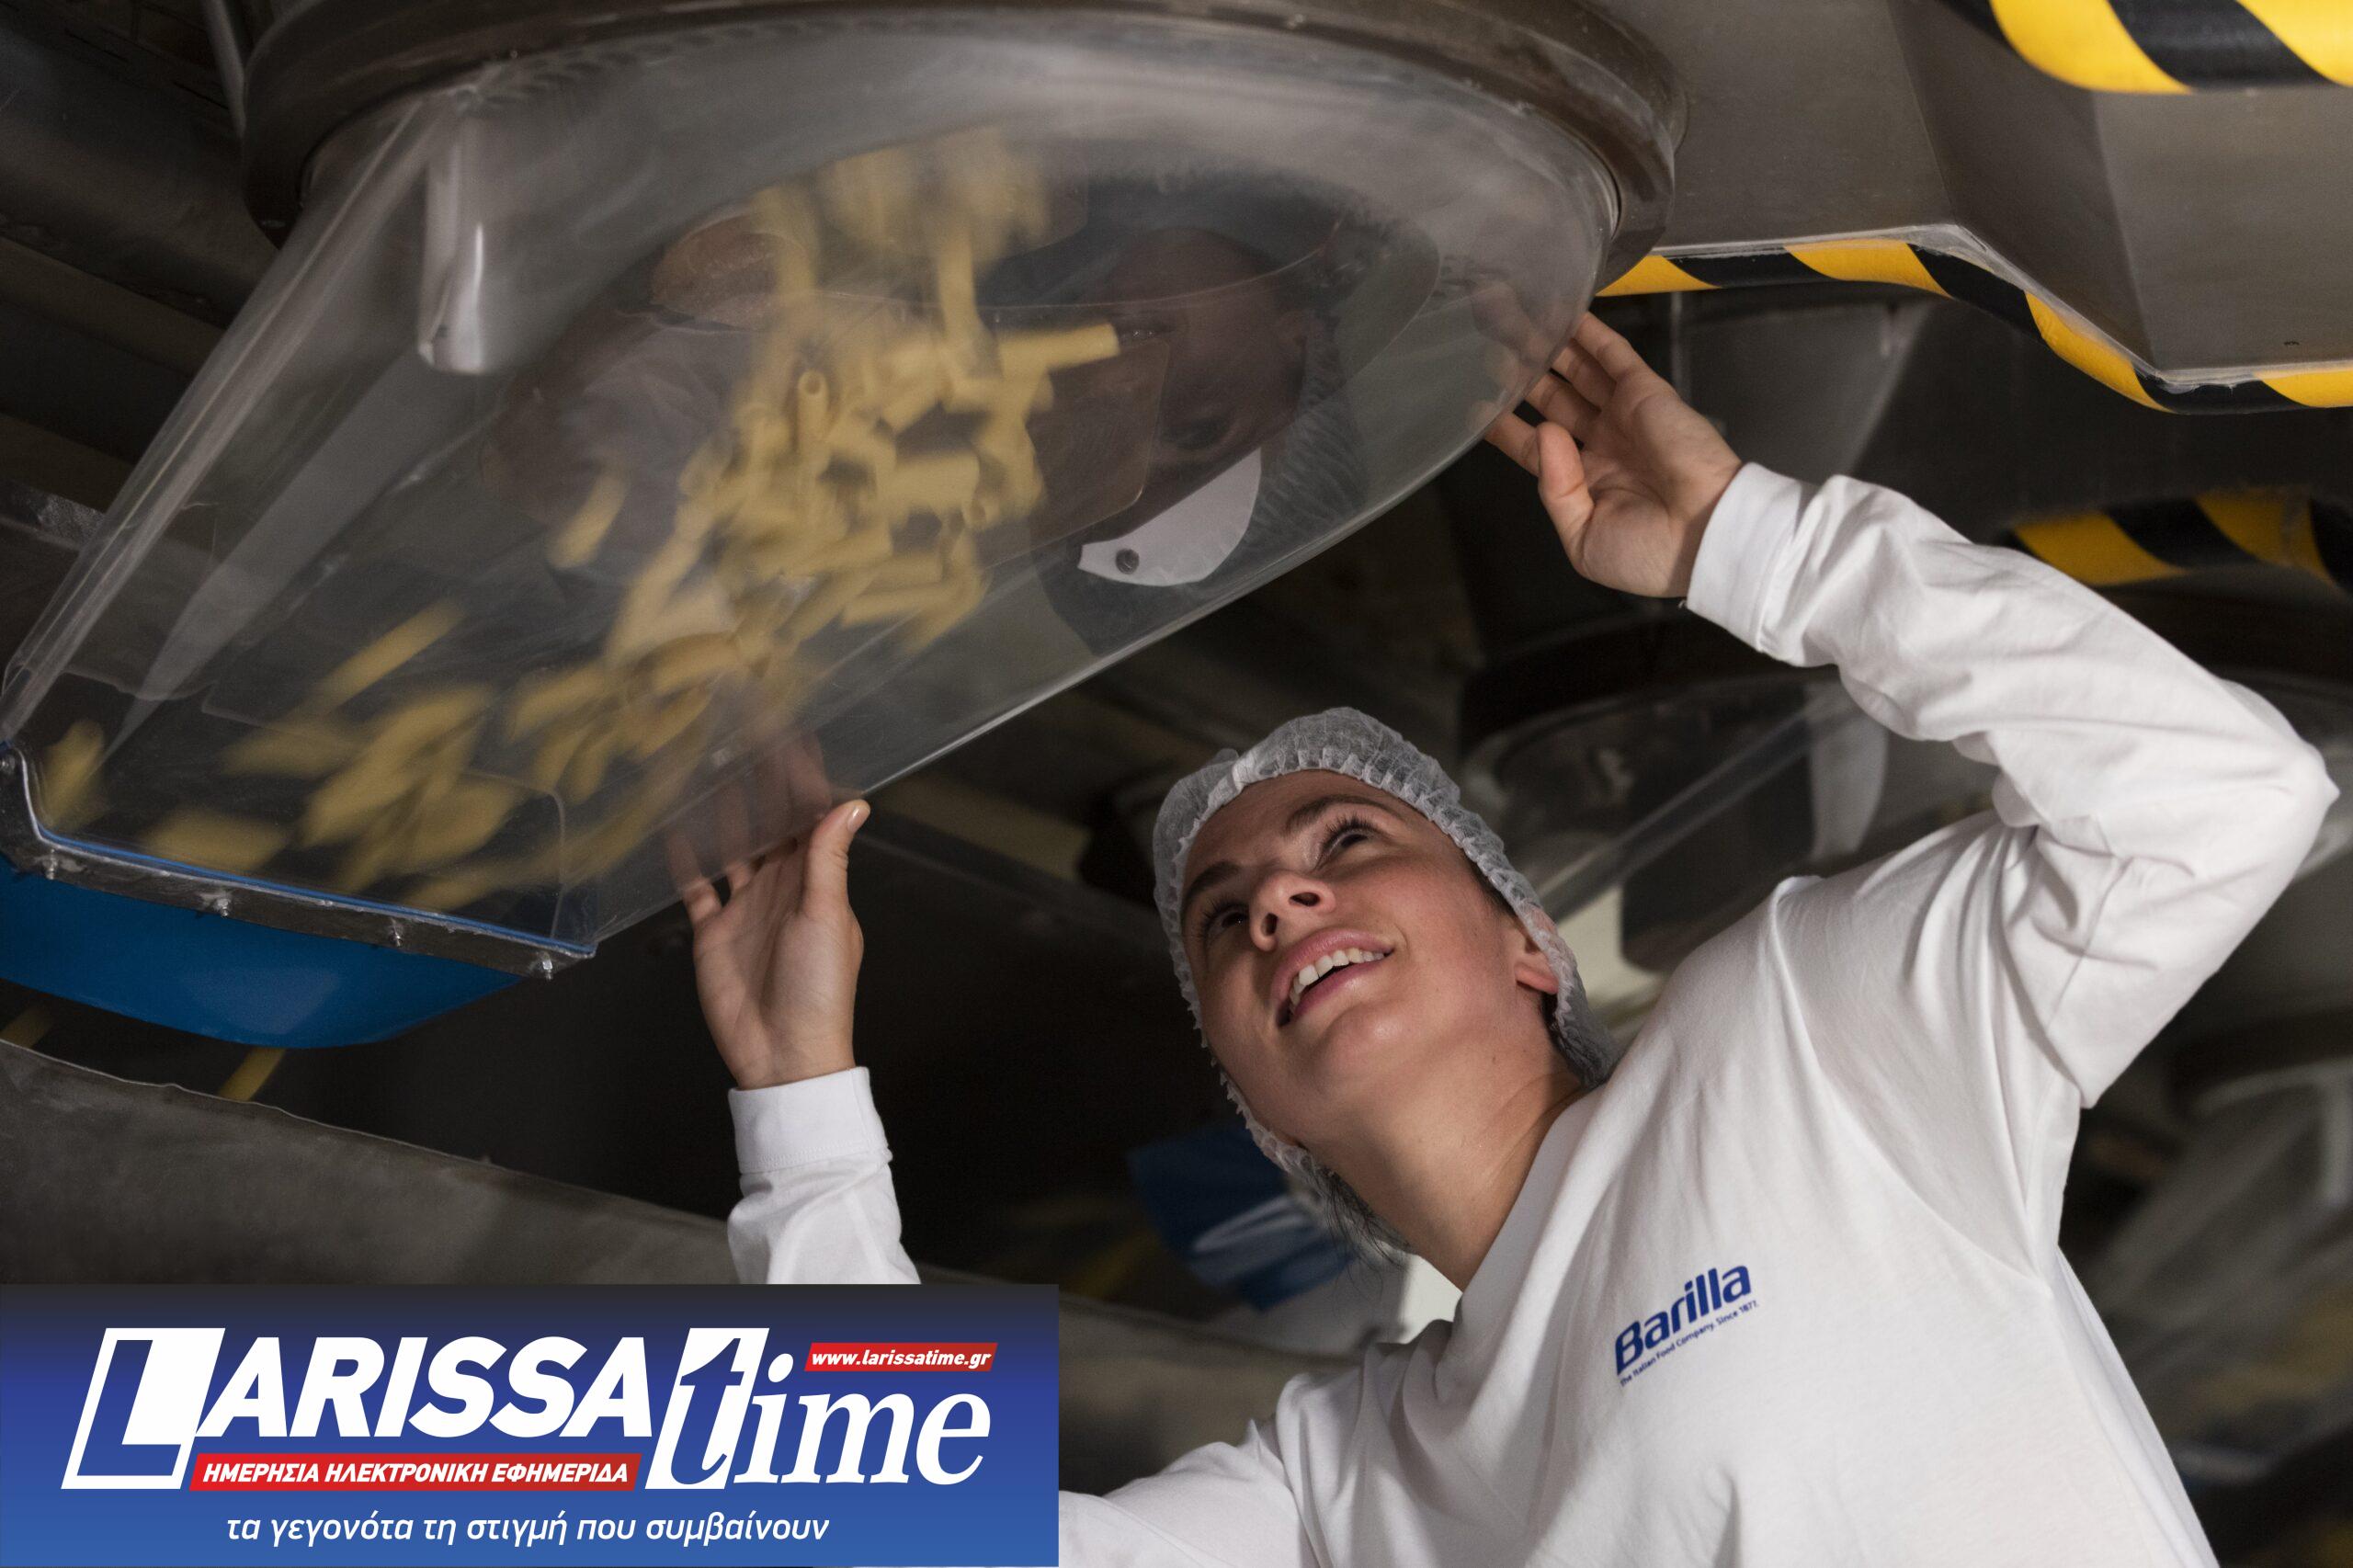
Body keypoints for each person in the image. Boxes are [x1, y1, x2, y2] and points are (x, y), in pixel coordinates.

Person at [680, 312, 2336, 1566]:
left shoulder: (1792, 1044)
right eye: (1223, 917)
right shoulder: (1350, 1485)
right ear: (1260, 1110)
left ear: (1531, 941)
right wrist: (800, 1098)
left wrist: (1752, 541)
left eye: (1346, 842)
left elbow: (2215, 798)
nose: (1276, 902)